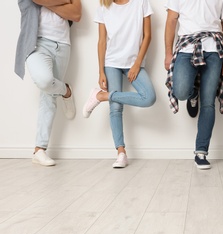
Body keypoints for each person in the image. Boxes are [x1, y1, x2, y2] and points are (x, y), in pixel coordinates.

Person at [82, 0, 156, 168]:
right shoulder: (103, 6)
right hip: (111, 63)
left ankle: (101, 96)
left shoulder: (141, 3)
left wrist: (137, 64)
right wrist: (101, 70)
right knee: (115, 108)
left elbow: (148, 36)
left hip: (133, 64)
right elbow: (102, 41)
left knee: (149, 97)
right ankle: (121, 152)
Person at [164, 0, 223, 170]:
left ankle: (201, 152)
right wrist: (168, 52)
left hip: (214, 47)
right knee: (180, 91)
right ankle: (192, 94)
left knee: (208, 102)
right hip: (186, 46)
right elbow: (171, 19)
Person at [14, 0, 82, 166]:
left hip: (63, 44)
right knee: (45, 81)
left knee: (49, 97)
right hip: (37, 43)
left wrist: (49, 3)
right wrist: (66, 1)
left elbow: (77, 14)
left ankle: (39, 150)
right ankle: (66, 91)